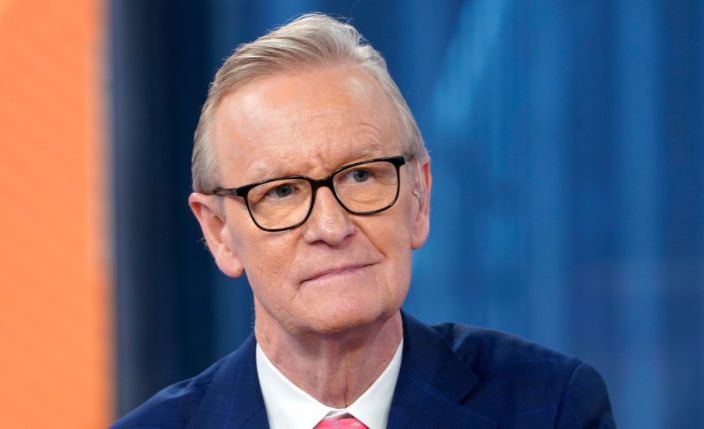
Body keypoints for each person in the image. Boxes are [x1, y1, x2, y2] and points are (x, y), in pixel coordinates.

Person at [111, 13, 616, 429]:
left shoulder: (551, 406)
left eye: (361, 177)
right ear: (219, 232)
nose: (331, 227)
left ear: (419, 198)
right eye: (282, 192)